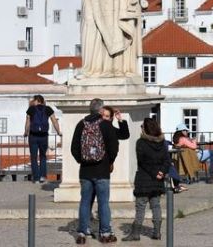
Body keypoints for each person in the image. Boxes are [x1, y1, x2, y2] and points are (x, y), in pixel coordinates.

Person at [71, 98, 120, 244]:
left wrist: (82, 160)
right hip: (102, 170)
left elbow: (74, 148)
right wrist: (109, 161)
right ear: (100, 110)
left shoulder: (81, 124)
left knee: (85, 202)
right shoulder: (105, 125)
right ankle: (105, 233)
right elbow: (114, 147)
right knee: (103, 203)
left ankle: (81, 232)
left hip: (85, 171)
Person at [124, 118, 171, 241]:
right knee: (156, 205)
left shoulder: (141, 142)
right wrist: (161, 172)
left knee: (140, 206)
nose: (141, 128)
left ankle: (135, 234)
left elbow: (143, 162)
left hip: (144, 179)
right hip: (157, 181)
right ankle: (157, 233)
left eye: (141, 126)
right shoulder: (162, 142)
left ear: (145, 128)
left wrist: (156, 173)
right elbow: (167, 160)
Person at [25, 94, 62, 183]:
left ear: (37, 100)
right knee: (43, 156)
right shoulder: (48, 109)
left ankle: (36, 178)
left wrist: (26, 132)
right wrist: (58, 132)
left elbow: (28, 122)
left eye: (34, 100)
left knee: (33, 157)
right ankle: (43, 176)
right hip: (44, 136)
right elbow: (54, 121)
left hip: (33, 136)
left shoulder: (31, 109)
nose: (33, 102)